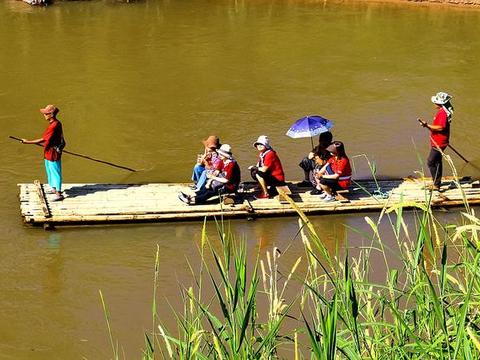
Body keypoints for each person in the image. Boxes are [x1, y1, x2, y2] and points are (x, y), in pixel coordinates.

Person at [22, 104, 65, 201]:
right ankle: (53, 189)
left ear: (52, 114)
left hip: (53, 152)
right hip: (48, 151)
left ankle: (58, 193)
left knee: (55, 172)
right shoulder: (54, 124)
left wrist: (27, 142)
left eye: (46, 113)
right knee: (49, 169)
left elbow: (43, 139)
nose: (44, 115)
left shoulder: (54, 125)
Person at [418, 91, 454, 191]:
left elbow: (441, 127)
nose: (434, 103)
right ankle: (437, 183)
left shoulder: (442, 113)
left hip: (439, 142)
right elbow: (438, 127)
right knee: (437, 162)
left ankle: (436, 185)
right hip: (440, 141)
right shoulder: (442, 111)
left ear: (439, 103)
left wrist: (427, 125)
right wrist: (427, 126)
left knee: (431, 161)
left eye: (435, 102)